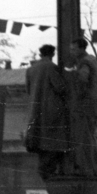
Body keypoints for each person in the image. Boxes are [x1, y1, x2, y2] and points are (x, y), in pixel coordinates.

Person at [25, 44, 70, 180]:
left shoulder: (30, 69)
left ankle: (45, 171)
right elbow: (60, 87)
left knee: (41, 144)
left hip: (35, 111)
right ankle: (50, 171)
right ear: (52, 54)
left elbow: (28, 90)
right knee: (53, 143)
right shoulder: (51, 67)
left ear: (40, 54)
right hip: (51, 111)